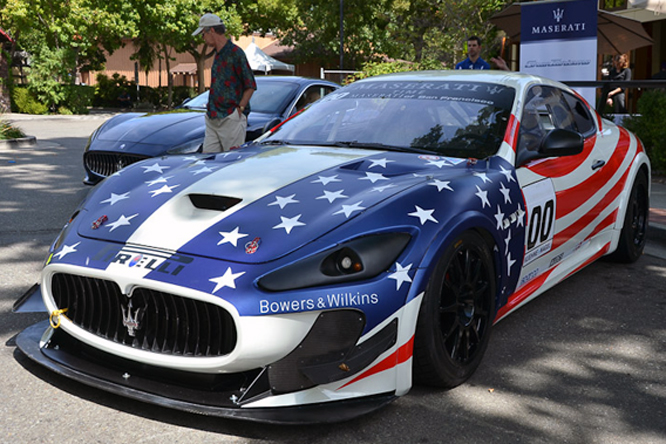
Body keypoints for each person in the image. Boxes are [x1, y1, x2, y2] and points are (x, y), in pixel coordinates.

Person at [192, 13, 256, 152]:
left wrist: (240, 108)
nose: (203, 39)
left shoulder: (235, 53)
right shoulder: (218, 53)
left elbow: (250, 85)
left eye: (203, 34)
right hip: (213, 117)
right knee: (208, 160)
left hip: (230, 117)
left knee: (231, 163)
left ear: (212, 31)